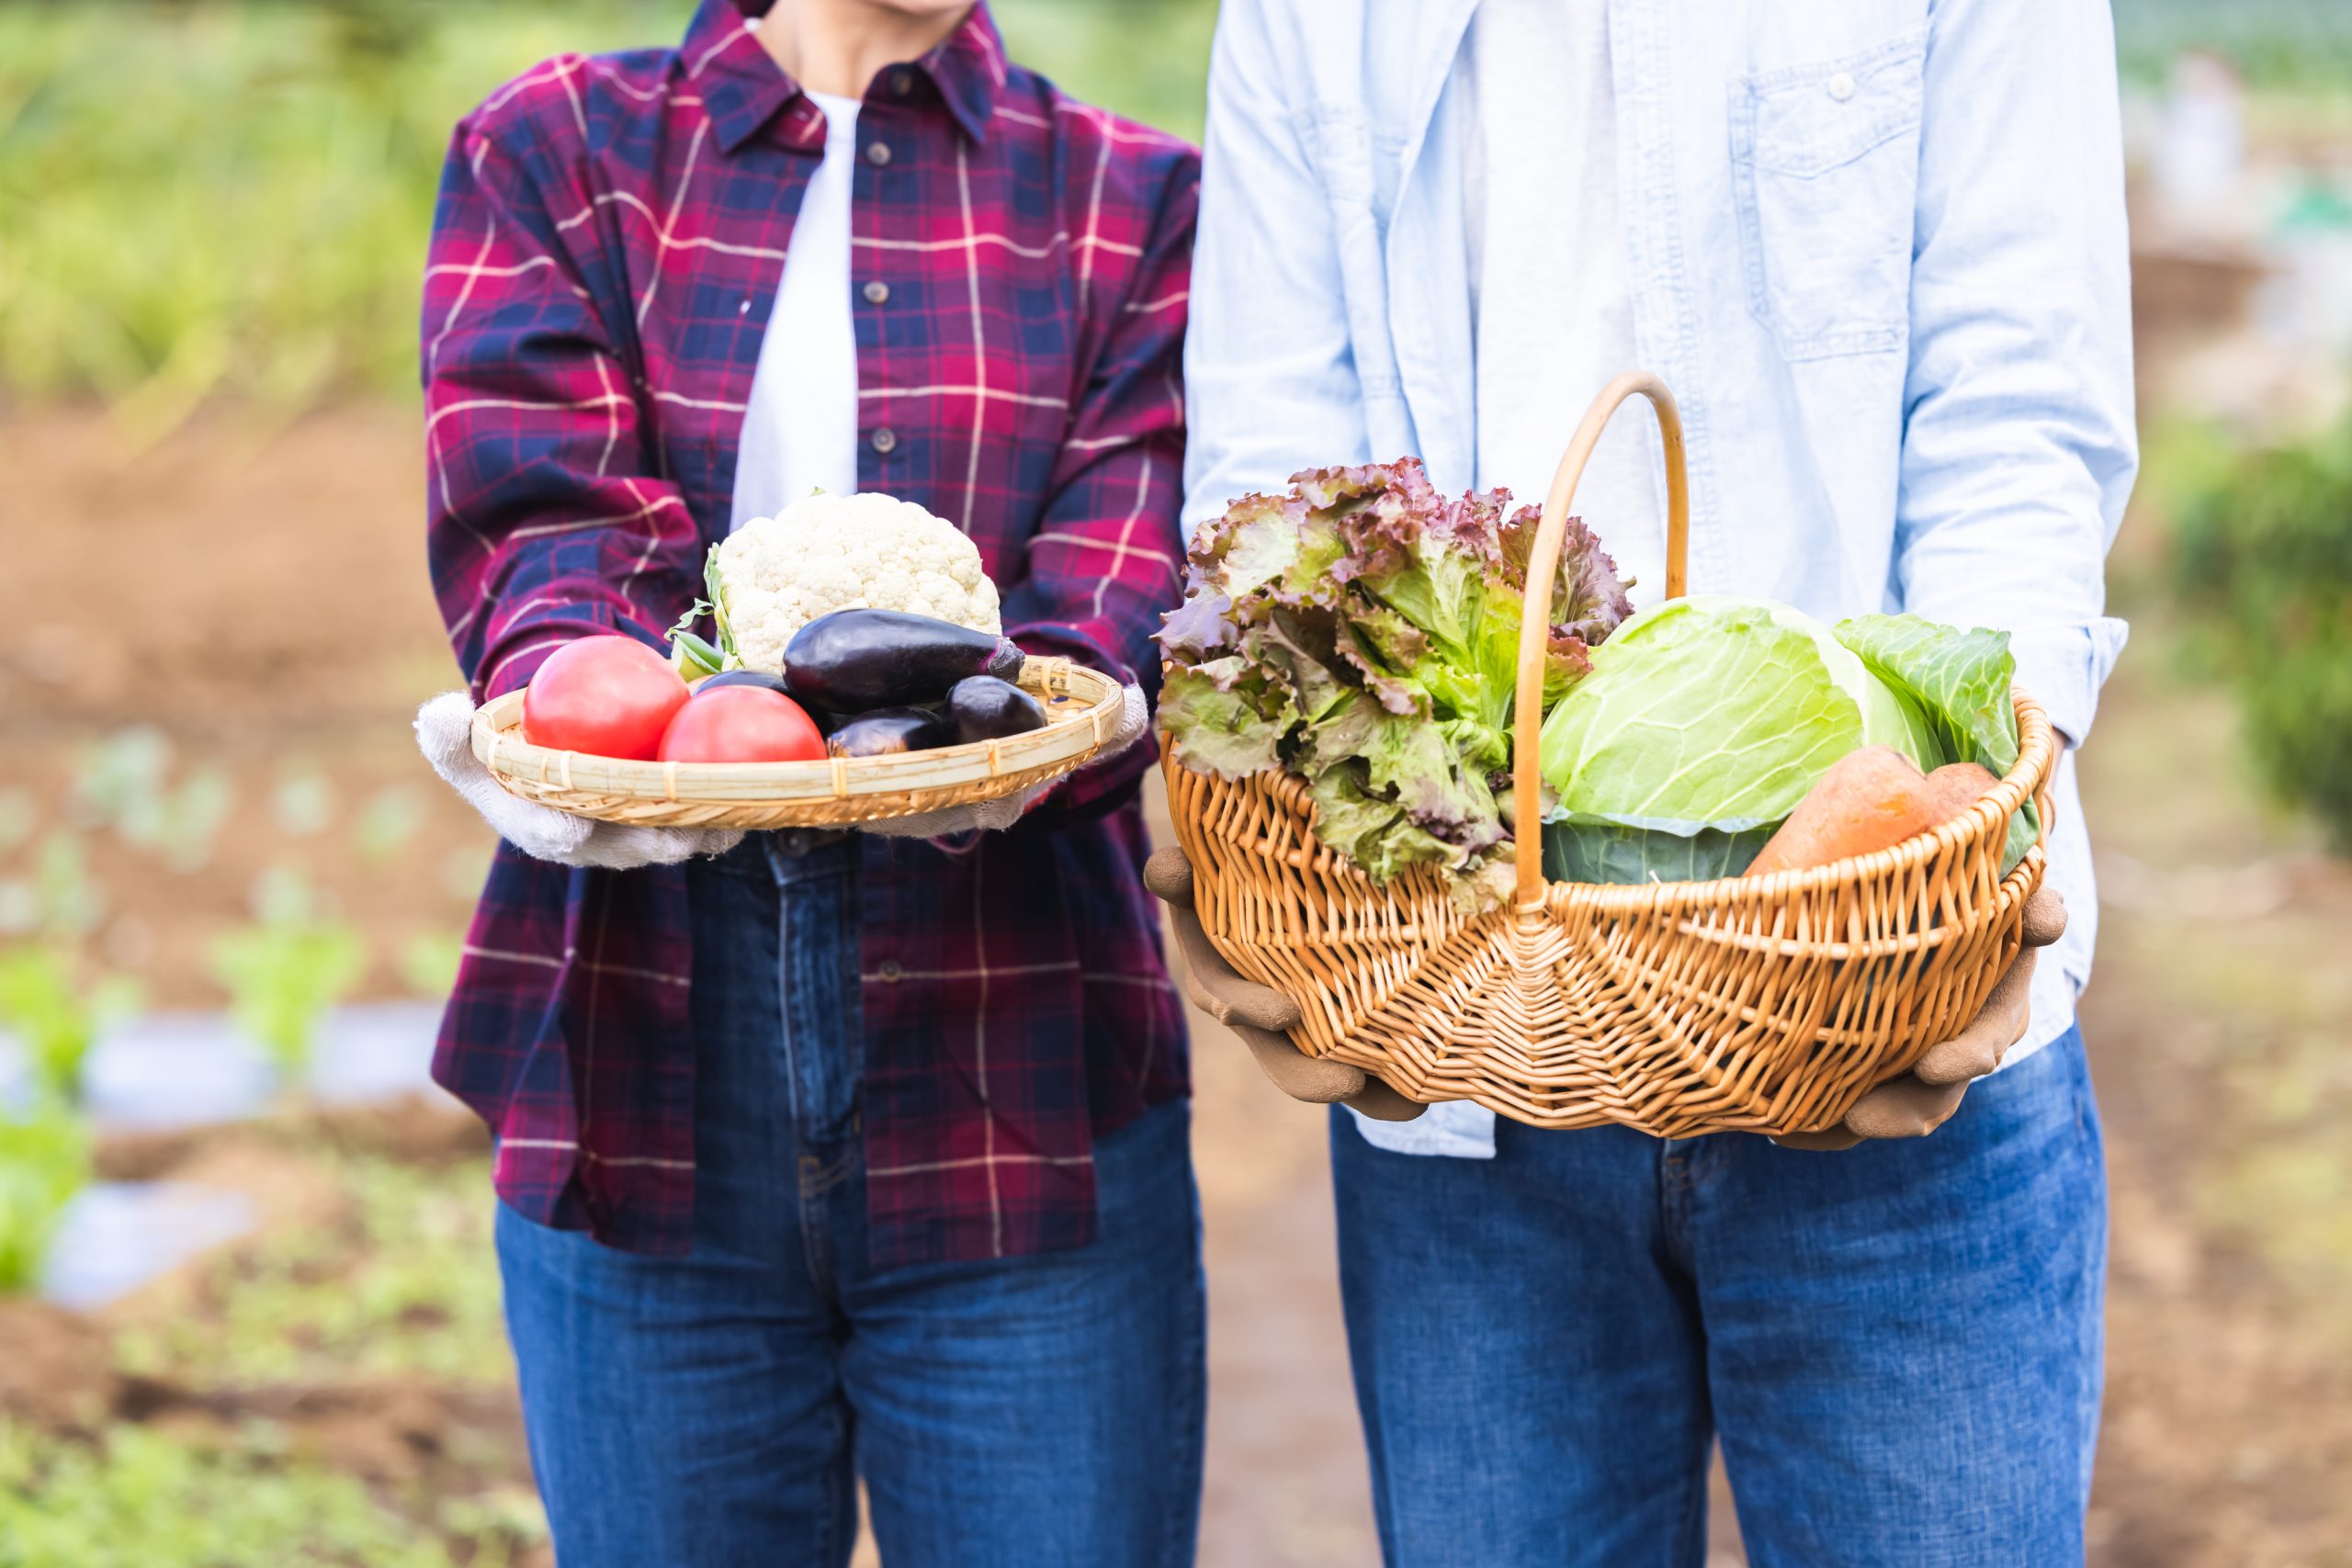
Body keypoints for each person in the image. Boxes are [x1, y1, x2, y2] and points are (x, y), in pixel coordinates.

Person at [1170, 0, 2132, 1562]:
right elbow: (1273, 474)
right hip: (1472, 1061)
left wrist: (1958, 846)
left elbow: (2017, 417)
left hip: (1896, 1044)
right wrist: (1267, 828)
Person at [412, 3, 1204, 1563]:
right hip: (639, 1066)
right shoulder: (558, 151)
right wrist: (586, 715)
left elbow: (1114, 593)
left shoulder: (1130, 197)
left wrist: (989, 741)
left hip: (1017, 1068)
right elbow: (543, 535)